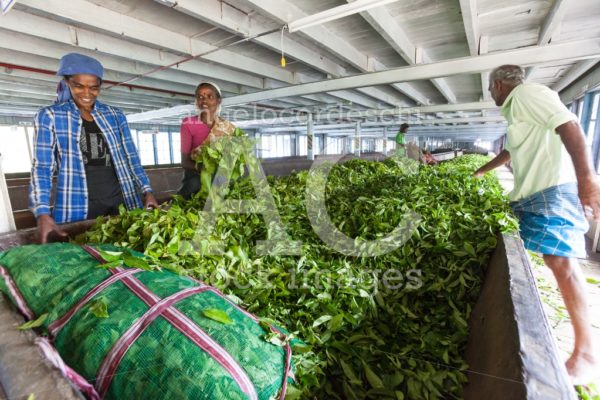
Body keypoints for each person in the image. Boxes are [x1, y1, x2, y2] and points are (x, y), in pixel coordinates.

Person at [474, 64, 600, 384]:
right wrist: (479, 172)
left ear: (500, 84)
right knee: (551, 258)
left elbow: (569, 125)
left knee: (561, 261)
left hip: (552, 190)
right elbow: (510, 153)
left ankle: (586, 354)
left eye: (490, 89)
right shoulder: (517, 109)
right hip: (533, 195)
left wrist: (587, 179)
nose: (491, 95)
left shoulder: (530, 94)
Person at [29, 53, 157, 243]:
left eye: (93, 87)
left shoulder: (115, 115)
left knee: (127, 250)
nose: (87, 93)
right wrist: (42, 212)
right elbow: (42, 168)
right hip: (77, 205)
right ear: (67, 82)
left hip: (121, 199)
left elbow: (131, 158)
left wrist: (147, 191)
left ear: (100, 87)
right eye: (78, 86)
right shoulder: (50, 116)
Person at [178, 81, 236, 198]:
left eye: (210, 96)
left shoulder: (227, 127)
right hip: (195, 175)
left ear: (219, 100)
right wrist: (206, 169)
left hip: (220, 176)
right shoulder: (188, 123)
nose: (204, 100)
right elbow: (185, 162)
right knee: (195, 184)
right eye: (200, 97)